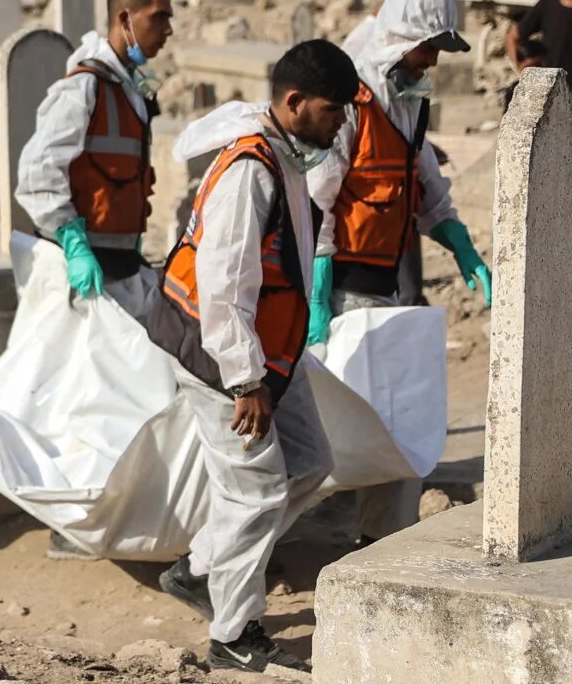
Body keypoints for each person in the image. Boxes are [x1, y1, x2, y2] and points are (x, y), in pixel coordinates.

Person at [147, 40, 357, 674]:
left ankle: (203, 566)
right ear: (294, 103)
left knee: (311, 462)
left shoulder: (287, 155)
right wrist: (245, 381)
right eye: (332, 110)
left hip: (265, 353)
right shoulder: (251, 169)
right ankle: (234, 632)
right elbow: (224, 286)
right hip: (217, 353)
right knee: (257, 491)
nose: (341, 123)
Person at [306, 0, 488, 545]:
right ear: (401, 42)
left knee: (397, 429)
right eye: (427, 48)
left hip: (388, 289)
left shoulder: (409, 108)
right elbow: (320, 207)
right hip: (343, 289)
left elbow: (427, 189)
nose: (431, 62)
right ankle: (237, 553)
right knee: (333, 435)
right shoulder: (351, 105)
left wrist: (462, 248)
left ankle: (379, 546)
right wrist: (316, 299)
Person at [17, 0, 174, 321]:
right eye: (158, 17)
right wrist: (74, 245)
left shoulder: (128, 89)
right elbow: (38, 170)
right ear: (125, 18)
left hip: (118, 267)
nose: (168, 30)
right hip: (77, 272)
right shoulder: (85, 88)